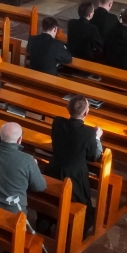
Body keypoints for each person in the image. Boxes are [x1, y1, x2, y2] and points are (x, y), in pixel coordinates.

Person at [45, 96, 103, 239]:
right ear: (86, 113)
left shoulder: (57, 122)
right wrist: (97, 138)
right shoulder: (89, 133)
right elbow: (94, 155)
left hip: (53, 170)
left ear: (67, 108)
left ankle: (46, 224)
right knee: (83, 207)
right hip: (75, 177)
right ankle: (77, 235)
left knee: (50, 199)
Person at [0, 122, 47, 215]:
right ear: (19, 139)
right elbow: (40, 186)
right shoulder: (27, 160)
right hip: (13, 213)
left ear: (0, 136)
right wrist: (34, 166)